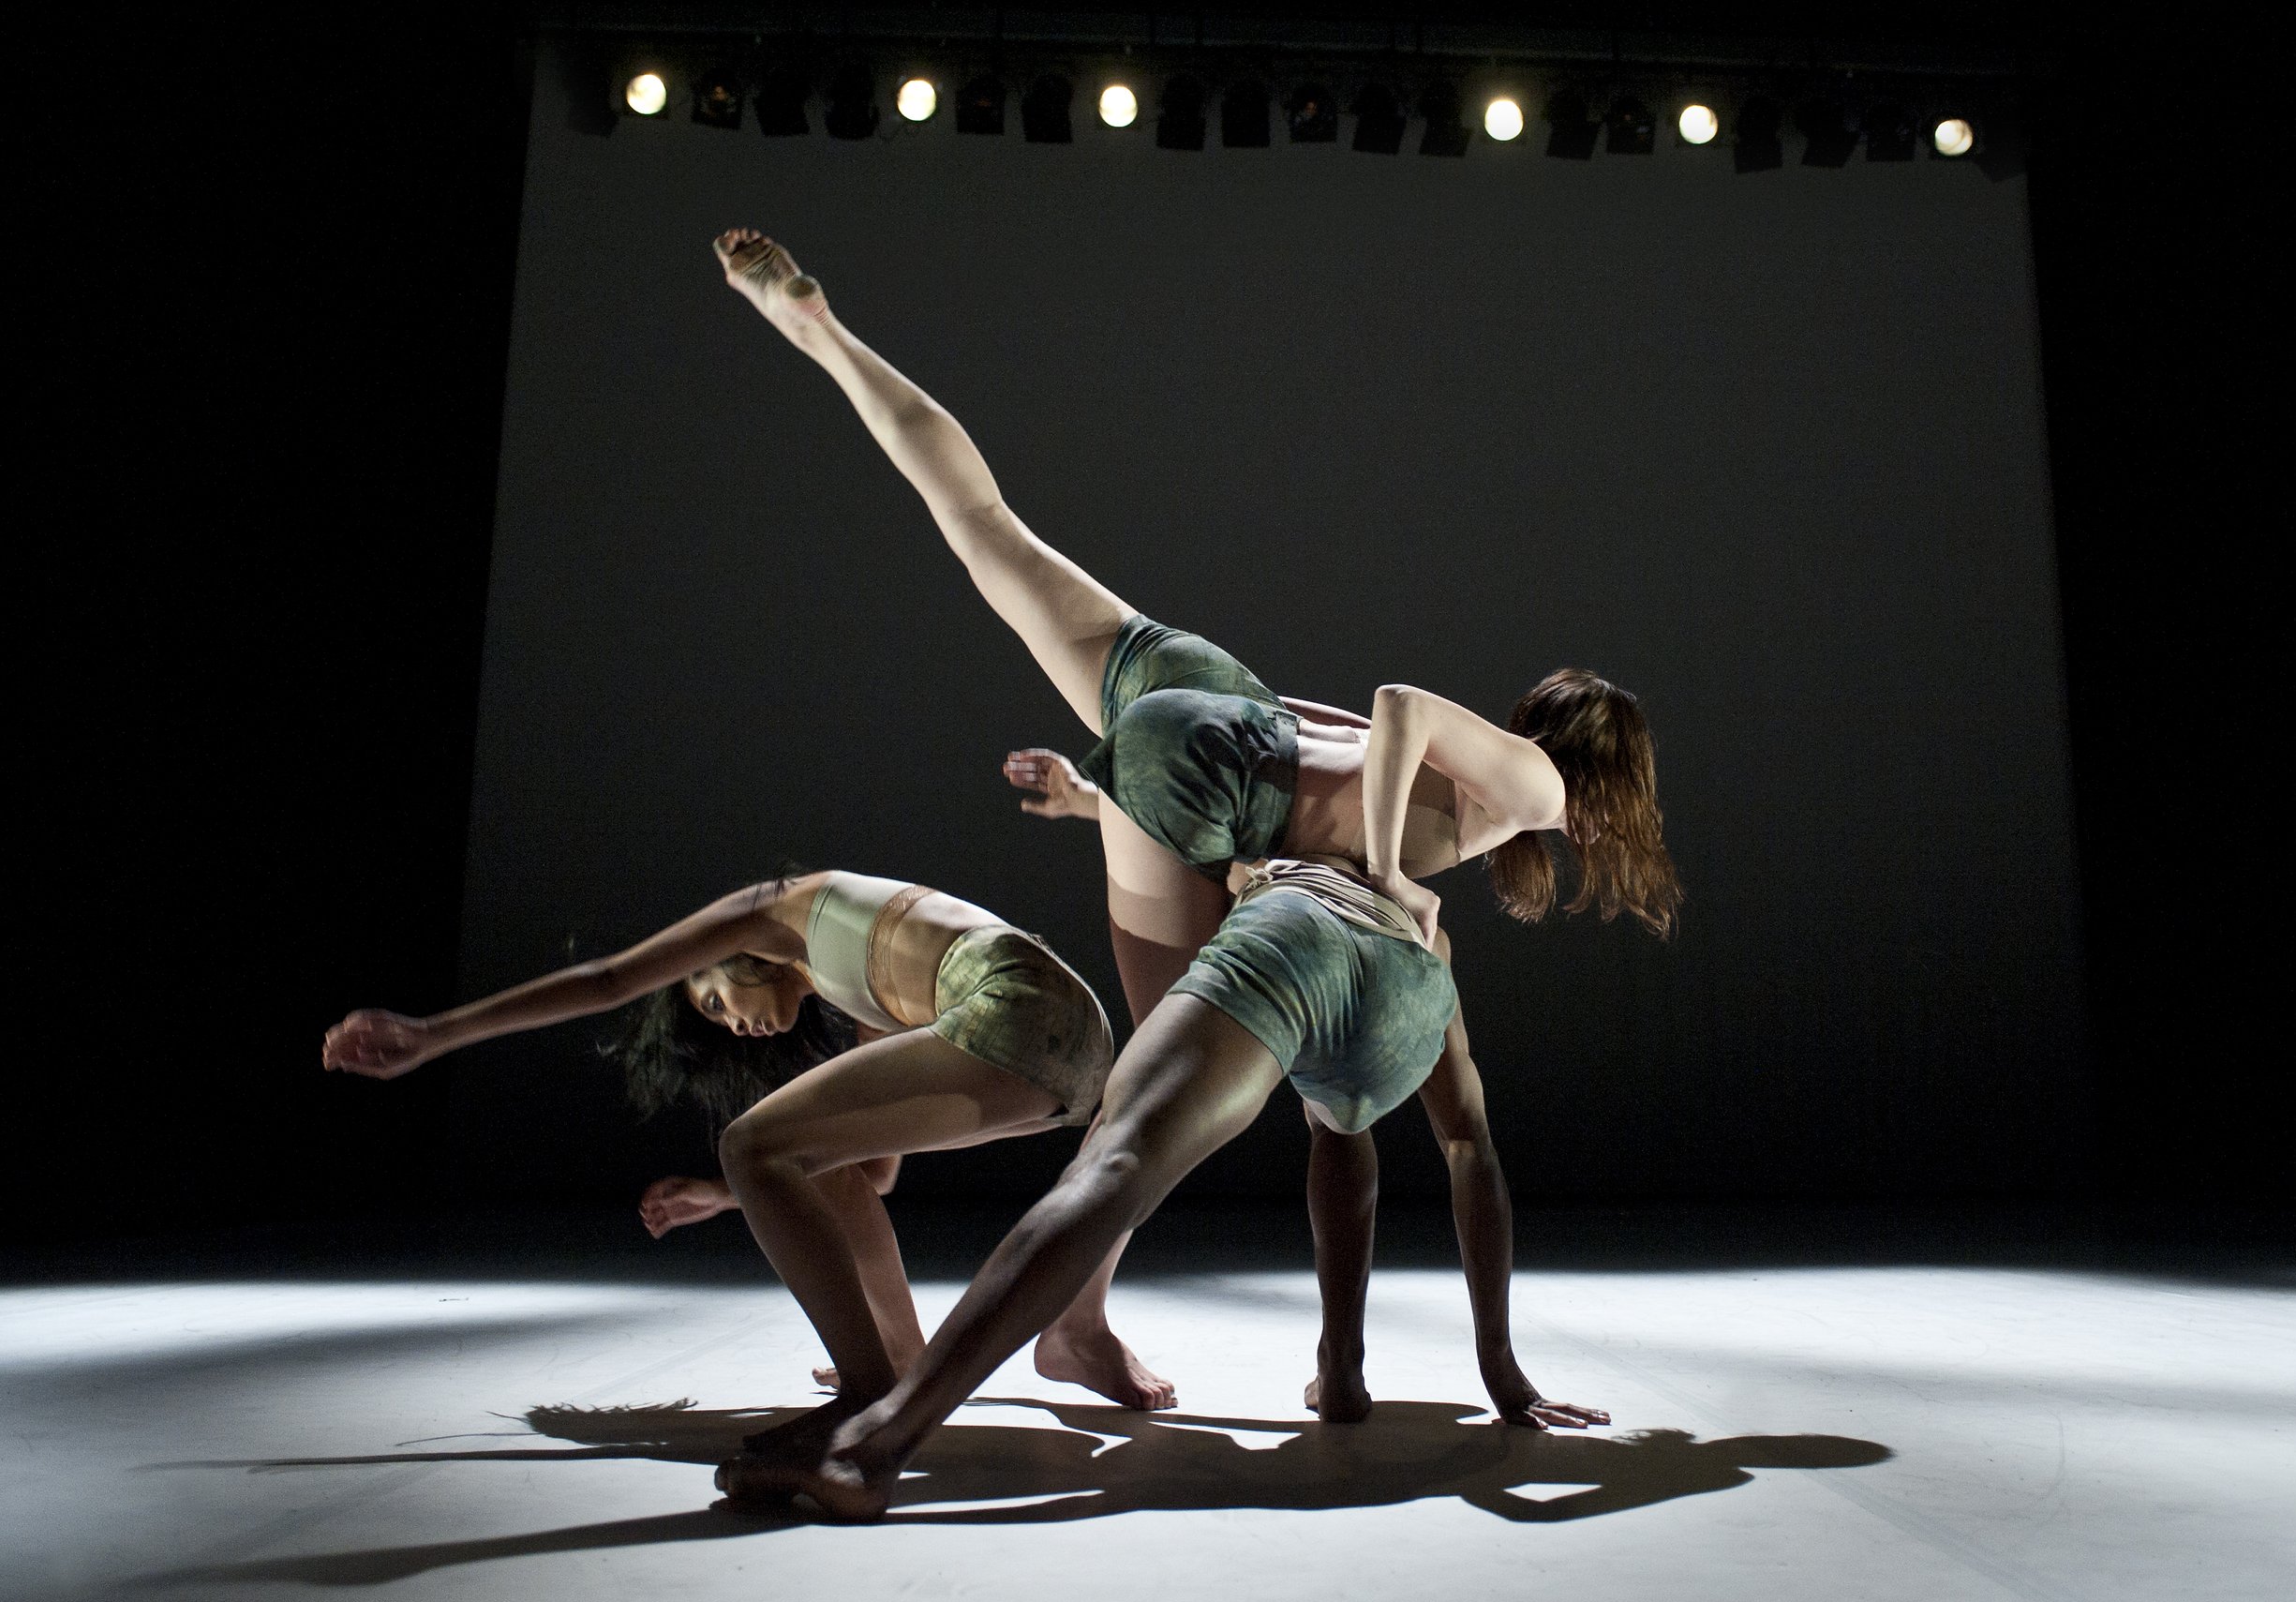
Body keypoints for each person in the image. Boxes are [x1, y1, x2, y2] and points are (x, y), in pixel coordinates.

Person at [707, 230, 1681, 1519]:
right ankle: (1061, 1332)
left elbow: (1316, 719)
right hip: (1217, 772)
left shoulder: (1491, 793)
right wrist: (1387, 875)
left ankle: (821, 333)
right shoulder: (1537, 789)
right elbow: (1391, 708)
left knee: (983, 524)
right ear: (1604, 773)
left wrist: (1105, 786)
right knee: (1124, 1121)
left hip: (1205, 696)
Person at [321, 865, 1181, 1444]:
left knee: (752, 1141)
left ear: (726, 956)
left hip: (1021, 1009)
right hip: (1067, 1059)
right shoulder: (870, 991)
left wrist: (436, 1034)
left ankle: (865, 1389)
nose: (732, 1020)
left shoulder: (781, 904)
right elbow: (869, 1178)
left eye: (711, 997)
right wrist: (731, 1193)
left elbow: (613, 979)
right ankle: (906, 1358)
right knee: (781, 1157)